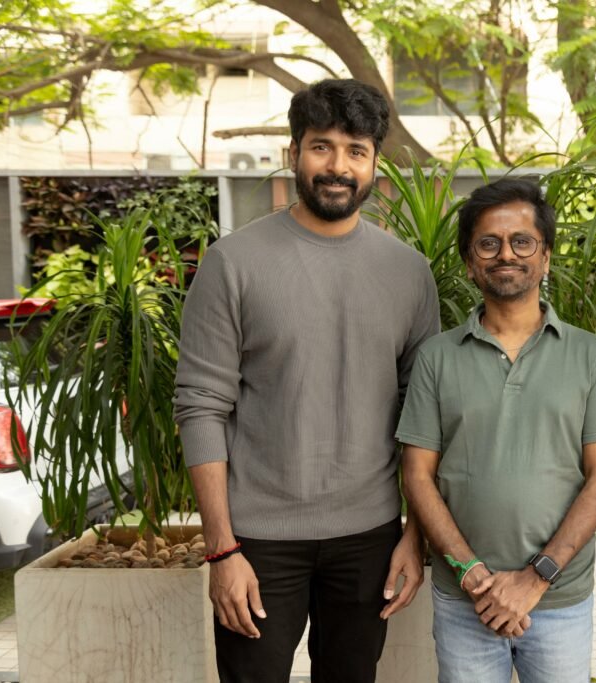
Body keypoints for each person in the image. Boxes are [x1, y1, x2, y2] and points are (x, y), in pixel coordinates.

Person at [173, 78, 440, 683]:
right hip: (257, 540)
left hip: (370, 538)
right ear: (293, 152)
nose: (338, 166)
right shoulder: (233, 263)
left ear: (375, 162)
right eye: (322, 147)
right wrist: (222, 548)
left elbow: (424, 415)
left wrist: (414, 537)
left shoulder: (409, 272)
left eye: (356, 151)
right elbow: (201, 405)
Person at [396, 178, 596, 683]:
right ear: (469, 262)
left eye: (522, 241)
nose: (506, 254)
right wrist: (470, 572)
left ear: (545, 258)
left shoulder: (592, 356)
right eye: (489, 243)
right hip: (465, 600)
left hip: (559, 599)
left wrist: (536, 577)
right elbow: (417, 475)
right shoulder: (437, 357)